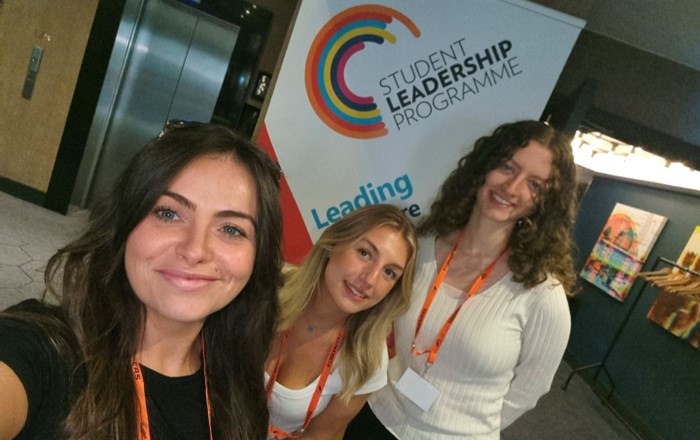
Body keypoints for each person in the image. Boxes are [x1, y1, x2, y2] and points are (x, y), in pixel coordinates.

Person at [0, 122, 283, 439]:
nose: (194, 250)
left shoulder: (239, 384)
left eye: (231, 229)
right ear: (125, 222)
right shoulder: (45, 351)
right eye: (168, 213)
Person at [344, 120, 578, 439]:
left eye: (534, 184)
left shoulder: (542, 296)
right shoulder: (422, 246)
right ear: (484, 168)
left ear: (543, 203)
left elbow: (526, 393)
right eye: (507, 167)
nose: (512, 188)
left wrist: (456, 427)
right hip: (377, 417)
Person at [266, 204, 418, 439]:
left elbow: (318, 436)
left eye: (389, 272)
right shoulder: (266, 289)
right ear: (334, 243)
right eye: (365, 253)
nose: (369, 279)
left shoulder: (367, 360)